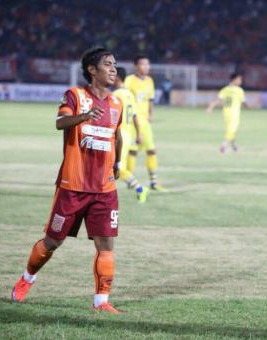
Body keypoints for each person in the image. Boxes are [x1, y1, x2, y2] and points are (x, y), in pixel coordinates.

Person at [11, 48, 124, 314]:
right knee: (52, 242)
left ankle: (101, 302)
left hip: (105, 188)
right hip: (72, 187)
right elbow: (60, 122)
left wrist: (117, 163)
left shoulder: (118, 104)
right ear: (92, 70)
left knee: (106, 244)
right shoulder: (75, 96)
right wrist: (84, 117)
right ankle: (27, 279)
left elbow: (117, 135)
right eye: (107, 64)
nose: (114, 69)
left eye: (115, 65)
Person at [124, 55, 166, 191]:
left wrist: (150, 115)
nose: (146, 67)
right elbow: (126, 99)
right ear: (136, 66)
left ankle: (154, 181)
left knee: (151, 150)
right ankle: (130, 180)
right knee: (133, 152)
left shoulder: (150, 81)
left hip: (145, 121)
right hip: (133, 122)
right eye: (143, 64)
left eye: (148, 64)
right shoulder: (129, 80)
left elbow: (151, 100)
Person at [113, 67, 149, 202]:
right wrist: (138, 133)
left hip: (119, 135)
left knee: (118, 168)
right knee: (112, 166)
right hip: (128, 134)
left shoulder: (116, 95)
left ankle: (140, 188)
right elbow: (134, 115)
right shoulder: (129, 94)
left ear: (116, 78)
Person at [206, 72, 248, 153]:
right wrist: (248, 107)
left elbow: (217, 100)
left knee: (230, 130)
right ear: (234, 80)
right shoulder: (239, 90)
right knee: (232, 130)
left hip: (226, 113)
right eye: (239, 79)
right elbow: (244, 102)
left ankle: (234, 147)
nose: (241, 81)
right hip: (234, 113)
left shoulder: (225, 89)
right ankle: (223, 146)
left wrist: (210, 107)